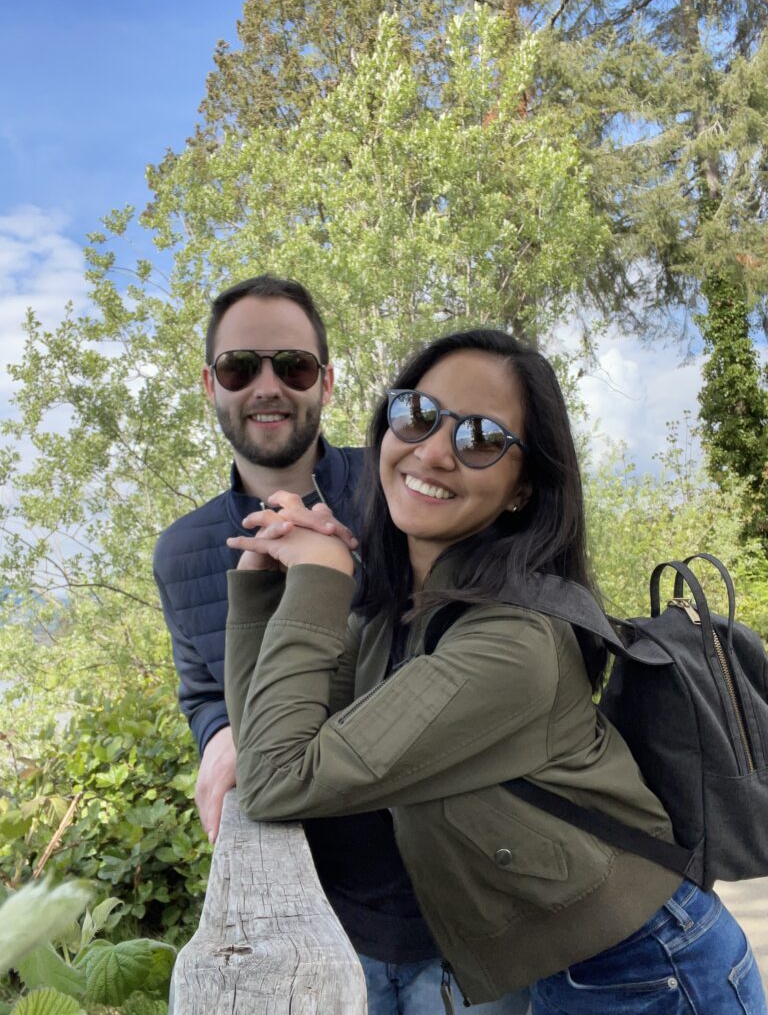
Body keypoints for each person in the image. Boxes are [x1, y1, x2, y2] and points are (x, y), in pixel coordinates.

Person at [223, 327, 767, 1015]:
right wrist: (263, 587)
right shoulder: (402, 619)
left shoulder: (514, 643)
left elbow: (278, 781)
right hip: (563, 973)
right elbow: (265, 743)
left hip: (648, 971)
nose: (433, 450)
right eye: (417, 414)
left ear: (521, 488)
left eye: (480, 438)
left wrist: (321, 578)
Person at [154, 282, 527, 1013]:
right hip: (325, 916)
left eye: (292, 366)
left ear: (325, 381)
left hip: (470, 908)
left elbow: (482, 646)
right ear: (210, 385)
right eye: (239, 368)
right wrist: (221, 734)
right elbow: (199, 689)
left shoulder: (407, 484)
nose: (267, 387)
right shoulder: (183, 551)